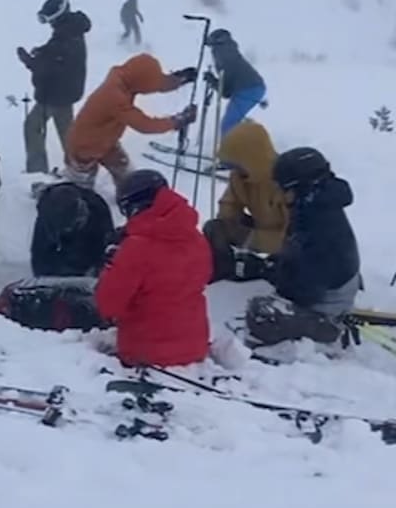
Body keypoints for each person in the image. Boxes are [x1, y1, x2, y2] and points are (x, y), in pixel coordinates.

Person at [243, 147, 363, 347]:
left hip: (325, 309)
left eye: (284, 188)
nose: (281, 194)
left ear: (301, 188)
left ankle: (325, 332)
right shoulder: (312, 208)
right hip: (322, 289)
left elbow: (305, 292)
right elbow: (297, 255)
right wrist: (269, 265)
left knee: (262, 315)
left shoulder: (320, 225)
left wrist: (272, 273)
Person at [94, 169, 213, 367]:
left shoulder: (136, 248)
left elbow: (107, 305)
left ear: (134, 207)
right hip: (195, 349)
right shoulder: (197, 239)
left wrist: (110, 264)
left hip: (145, 354)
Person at [63, 54, 194, 188]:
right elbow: (145, 125)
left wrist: (177, 80)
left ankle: (128, 199)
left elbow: (151, 81)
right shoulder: (115, 97)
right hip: (84, 146)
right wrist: (176, 121)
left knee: (127, 177)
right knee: (81, 190)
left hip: (107, 142)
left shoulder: (124, 77)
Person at [201, 119, 287, 283]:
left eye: (237, 164)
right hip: (261, 227)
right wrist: (229, 226)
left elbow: (295, 238)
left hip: (291, 243)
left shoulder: (285, 181)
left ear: (251, 158)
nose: (234, 169)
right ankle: (222, 273)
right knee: (214, 228)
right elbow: (229, 204)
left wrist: (251, 238)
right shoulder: (240, 176)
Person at [17, 0, 91, 174]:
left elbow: (48, 68)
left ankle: (37, 171)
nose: (48, 23)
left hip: (54, 95)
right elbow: (58, 55)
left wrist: (28, 60)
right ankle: (79, 169)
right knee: (67, 133)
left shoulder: (66, 36)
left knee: (32, 126)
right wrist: (43, 51)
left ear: (59, 16)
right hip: (65, 93)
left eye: (48, 19)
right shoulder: (72, 30)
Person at [30, 181, 116, 278]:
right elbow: (40, 258)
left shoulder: (98, 208)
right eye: (69, 228)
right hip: (61, 256)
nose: (84, 218)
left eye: (81, 219)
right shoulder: (46, 219)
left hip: (91, 253)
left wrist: (98, 268)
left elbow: (108, 248)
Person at [201, 29, 265, 136]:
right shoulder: (228, 53)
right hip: (251, 88)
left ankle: (231, 150)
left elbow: (226, 91)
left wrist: (212, 81)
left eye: (212, 46)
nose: (212, 50)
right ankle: (242, 145)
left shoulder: (225, 56)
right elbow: (226, 89)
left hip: (249, 89)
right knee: (232, 121)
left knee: (229, 124)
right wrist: (213, 81)